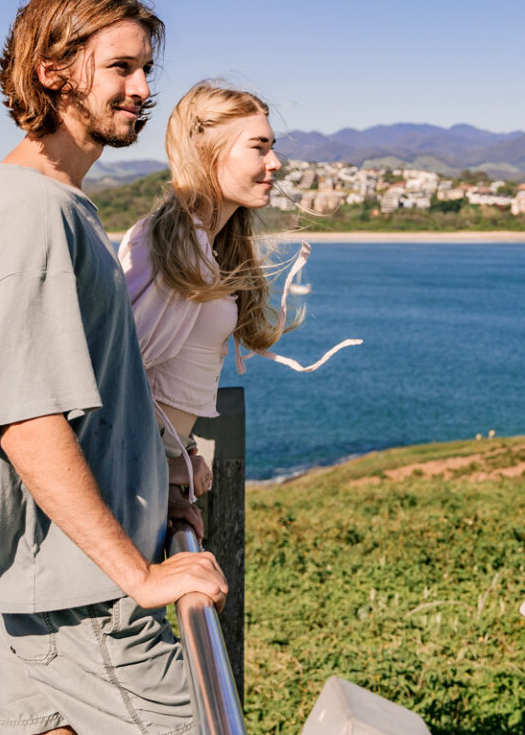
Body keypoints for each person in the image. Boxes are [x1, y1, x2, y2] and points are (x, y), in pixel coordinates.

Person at [0, 0, 226, 735]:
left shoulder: (53, 202)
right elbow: (27, 419)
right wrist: (138, 574)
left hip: (61, 585)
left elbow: (91, 401)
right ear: (53, 71)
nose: (143, 90)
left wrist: (150, 487)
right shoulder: (33, 211)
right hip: (87, 601)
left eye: (146, 70)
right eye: (121, 68)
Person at [119, 81, 361, 514]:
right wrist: (163, 467)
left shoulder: (203, 245)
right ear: (207, 153)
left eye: (273, 147)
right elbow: (113, 377)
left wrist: (181, 454)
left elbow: (163, 385)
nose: (275, 162)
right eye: (259, 147)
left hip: (153, 472)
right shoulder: (166, 246)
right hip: (129, 484)